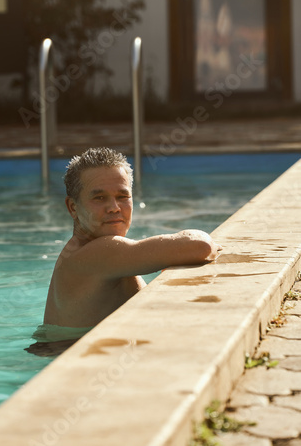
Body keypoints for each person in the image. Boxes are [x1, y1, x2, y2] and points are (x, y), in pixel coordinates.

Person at [27, 147, 221, 355]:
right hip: (77, 367)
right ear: (73, 207)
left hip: (71, 356)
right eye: (99, 198)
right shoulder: (98, 252)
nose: (114, 207)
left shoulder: (92, 252)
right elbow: (200, 246)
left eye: (122, 196)